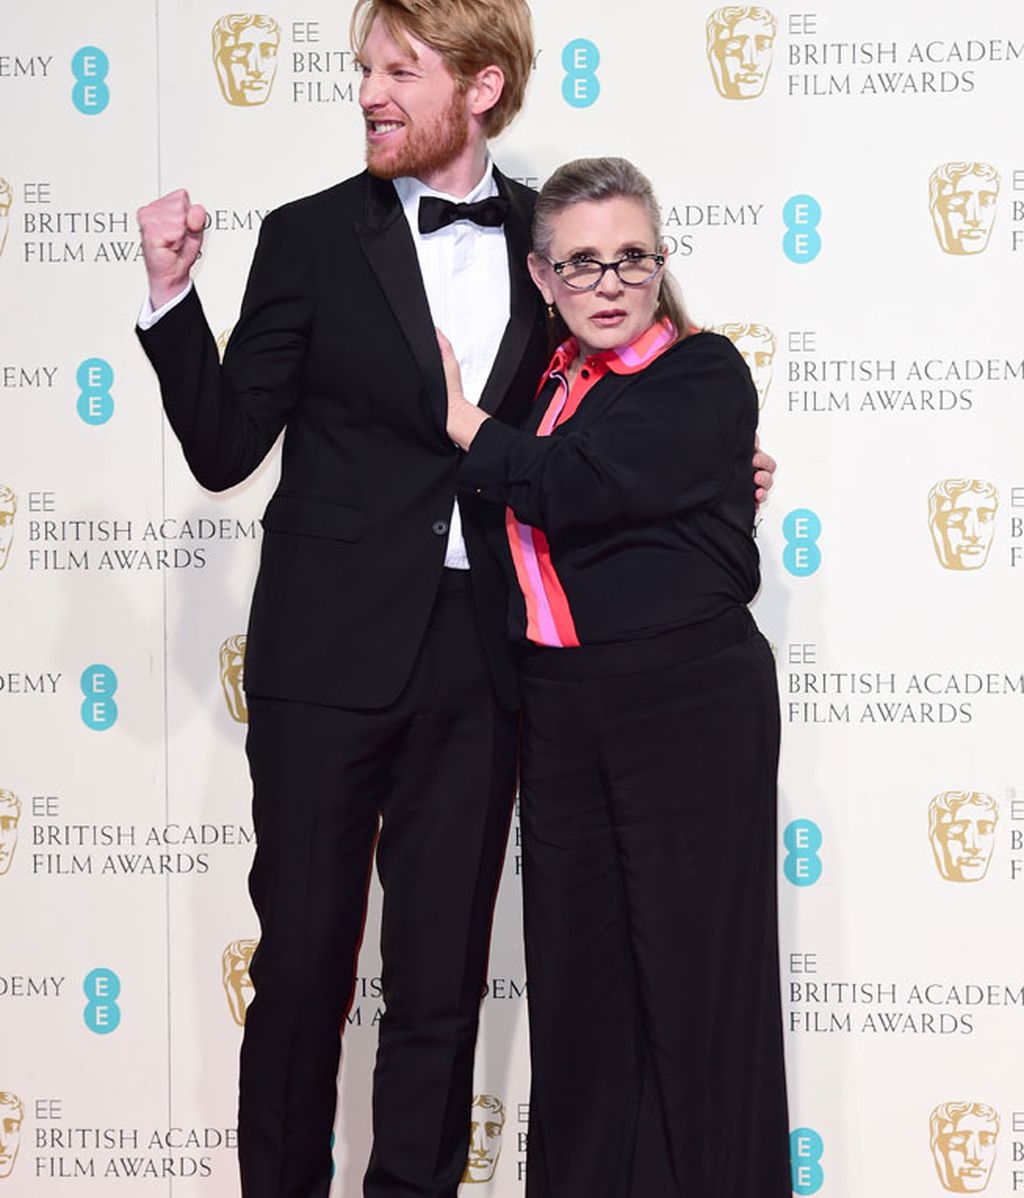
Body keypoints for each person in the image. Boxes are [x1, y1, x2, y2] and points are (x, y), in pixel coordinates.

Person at [136, 2, 775, 1193]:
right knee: (305, 973)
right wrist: (174, 302)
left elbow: (642, 385)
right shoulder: (310, 236)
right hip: (324, 661)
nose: (369, 93)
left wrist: (711, 472)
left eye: (396, 70)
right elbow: (226, 448)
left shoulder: (559, 239)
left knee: (439, 988)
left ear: (479, 88)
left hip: (488, 664)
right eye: (363, 71)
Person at [443, 157, 790, 1198]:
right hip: (561, 708)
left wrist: (463, 426)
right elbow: (532, 507)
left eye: (629, 257)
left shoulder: (701, 372)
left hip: (686, 704)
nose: (608, 280)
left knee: (697, 991)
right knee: (579, 993)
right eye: (581, 262)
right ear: (542, 278)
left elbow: (578, 488)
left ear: (658, 264)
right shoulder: (543, 386)